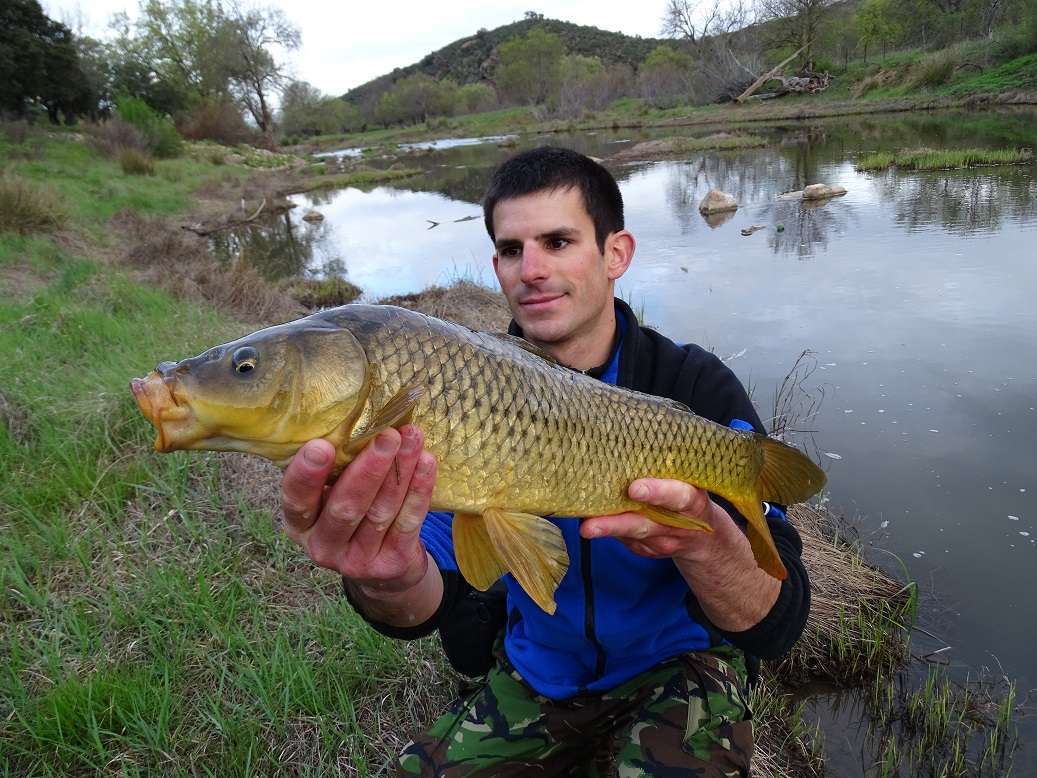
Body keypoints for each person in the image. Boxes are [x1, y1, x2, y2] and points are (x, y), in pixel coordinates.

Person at [280, 147, 811, 776]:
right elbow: (435, 602)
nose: (530, 270)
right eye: (511, 249)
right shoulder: (461, 394)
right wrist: (385, 579)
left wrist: (703, 543)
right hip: (536, 676)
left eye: (558, 241)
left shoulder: (692, 386)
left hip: (678, 666)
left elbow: (778, 624)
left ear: (617, 253)